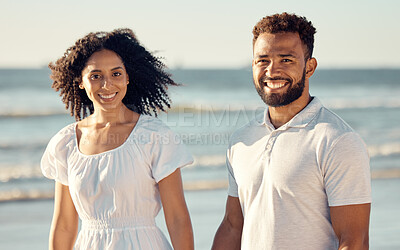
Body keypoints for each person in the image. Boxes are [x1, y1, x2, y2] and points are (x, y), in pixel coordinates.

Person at [212, 13, 371, 250]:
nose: (272, 71)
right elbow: (233, 226)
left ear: (310, 67)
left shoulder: (337, 140)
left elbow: (353, 241)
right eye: (262, 60)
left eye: (286, 60)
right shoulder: (241, 141)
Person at [41, 28, 194, 250]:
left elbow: (178, 220)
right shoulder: (66, 143)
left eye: (116, 73)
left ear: (127, 77)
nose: (107, 84)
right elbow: (64, 225)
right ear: (81, 82)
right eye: (96, 76)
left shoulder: (154, 136)